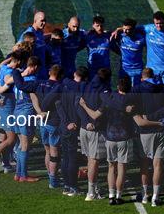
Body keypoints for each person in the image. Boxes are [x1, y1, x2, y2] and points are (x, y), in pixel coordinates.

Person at [79, 77, 135, 205]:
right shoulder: (131, 100)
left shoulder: (108, 100)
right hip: (124, 138)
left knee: (111, 167)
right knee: (121, 168)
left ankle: (111, 195)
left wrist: (84, 105)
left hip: (110, 138)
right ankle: (118, 195)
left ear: (118, 87)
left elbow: (94, 115)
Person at [11, 64, 64, 189]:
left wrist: (16, 72)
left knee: (46, 150)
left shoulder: (39, 83)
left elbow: (20, 85)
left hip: (42, 122)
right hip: (53, 121)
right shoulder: (60, 87)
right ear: (61, 75)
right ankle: (52, 180)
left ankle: (21, 173)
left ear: (49, 72)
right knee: (54, 152)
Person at [131, 68, 164, 206]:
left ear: (142, 78)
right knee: (158, 164)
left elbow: (129, 105)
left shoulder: (137, 89)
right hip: (161, 129)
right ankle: (155, 196)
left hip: (144, 132)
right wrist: (161, 113)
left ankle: (144, 194)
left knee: (144, 164)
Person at [77, 68, 112, 201]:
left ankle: (94, 188)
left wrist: (85, 122)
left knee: (90, 159)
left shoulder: (86, 86)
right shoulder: (106, 92)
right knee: (94, 161)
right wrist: (93, 123)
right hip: (95, 131)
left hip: (84, 129)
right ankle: (91, 192)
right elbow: (99, 114)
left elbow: (79, 104)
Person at [56, 66, 89, 196]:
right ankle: (73, 186)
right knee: (72, 158)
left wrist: (65, 122)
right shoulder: (80, 90)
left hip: (64, 126)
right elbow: (78, 108)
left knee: (65, 157)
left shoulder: (64, 85)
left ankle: (66, 185)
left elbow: (58, 105)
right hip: (73, 127)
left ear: (75, 74)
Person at [10, 56, 42, 183]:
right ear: (34, 66)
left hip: (16, 112)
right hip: (26, 114)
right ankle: (23, 175)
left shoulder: (19, 78)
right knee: (25, 146)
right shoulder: (32, 80)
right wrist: (39, 112)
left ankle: (18, 174)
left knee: (20, 146)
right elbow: (34, 98)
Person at [111, 18, 146, 87]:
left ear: (133, 29)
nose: (125, 31)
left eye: (128, 29)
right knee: (122, 92)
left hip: (136, 70)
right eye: (124, 29)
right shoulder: (120, 36)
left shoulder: (141, 39)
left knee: (134, 93)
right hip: (123, 69)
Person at [85, 15, 112, 80]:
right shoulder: (87, 36)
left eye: (101, 26)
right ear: (93, 25)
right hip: (92, 69)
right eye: (97, 26)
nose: (99, 28)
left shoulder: (109, 36)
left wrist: (118, 29)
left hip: (105, 69)